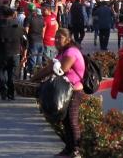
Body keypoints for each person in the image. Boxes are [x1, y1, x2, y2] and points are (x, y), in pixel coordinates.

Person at [32, 29, 85, 158]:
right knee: (65, 121)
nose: (56, 40)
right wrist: (35, 78)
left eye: (59, 38)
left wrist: (42, 74)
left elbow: (62, 69)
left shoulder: (71, 52)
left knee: (72, 120)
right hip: (65, 90)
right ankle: (68, 148)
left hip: (74, 91)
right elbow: (50, 68)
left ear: (67, 39)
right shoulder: (62, 53)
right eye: (55, 37)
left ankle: (77, 150)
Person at [0, 7, 24, 101]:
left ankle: (3, 90)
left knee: (0, 72)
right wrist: (24, 54)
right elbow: (25, 41)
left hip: (1, 53)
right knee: (12, 74)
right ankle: (11, 93)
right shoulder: (19, 27)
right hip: (15, 53)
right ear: (13, 15)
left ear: (2, 15)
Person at [24, 4, 44, 77]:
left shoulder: (28, 18)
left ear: (28, 10)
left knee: (32, 58)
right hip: (40, 40)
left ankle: (32, 75)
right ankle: (39, 75)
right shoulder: (41, 18)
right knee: (39, 59)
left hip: (33, 41)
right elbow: (43, 28)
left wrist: (25, 41)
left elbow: (26, 30)